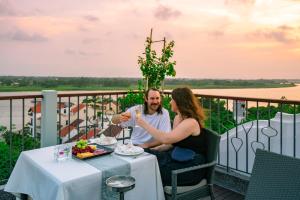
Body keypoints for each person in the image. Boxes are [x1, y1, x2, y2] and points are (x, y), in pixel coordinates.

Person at [136, 87, 207, 186]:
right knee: (143, 155)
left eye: (172, 100)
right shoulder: (178, 118)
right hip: (177, 157)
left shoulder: (191, 122)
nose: (170, 102)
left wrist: (144, 124)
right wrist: (151, 149)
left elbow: (166, 138)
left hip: (191, 167)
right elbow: (171, 144)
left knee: (149, 168)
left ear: (179, 102)